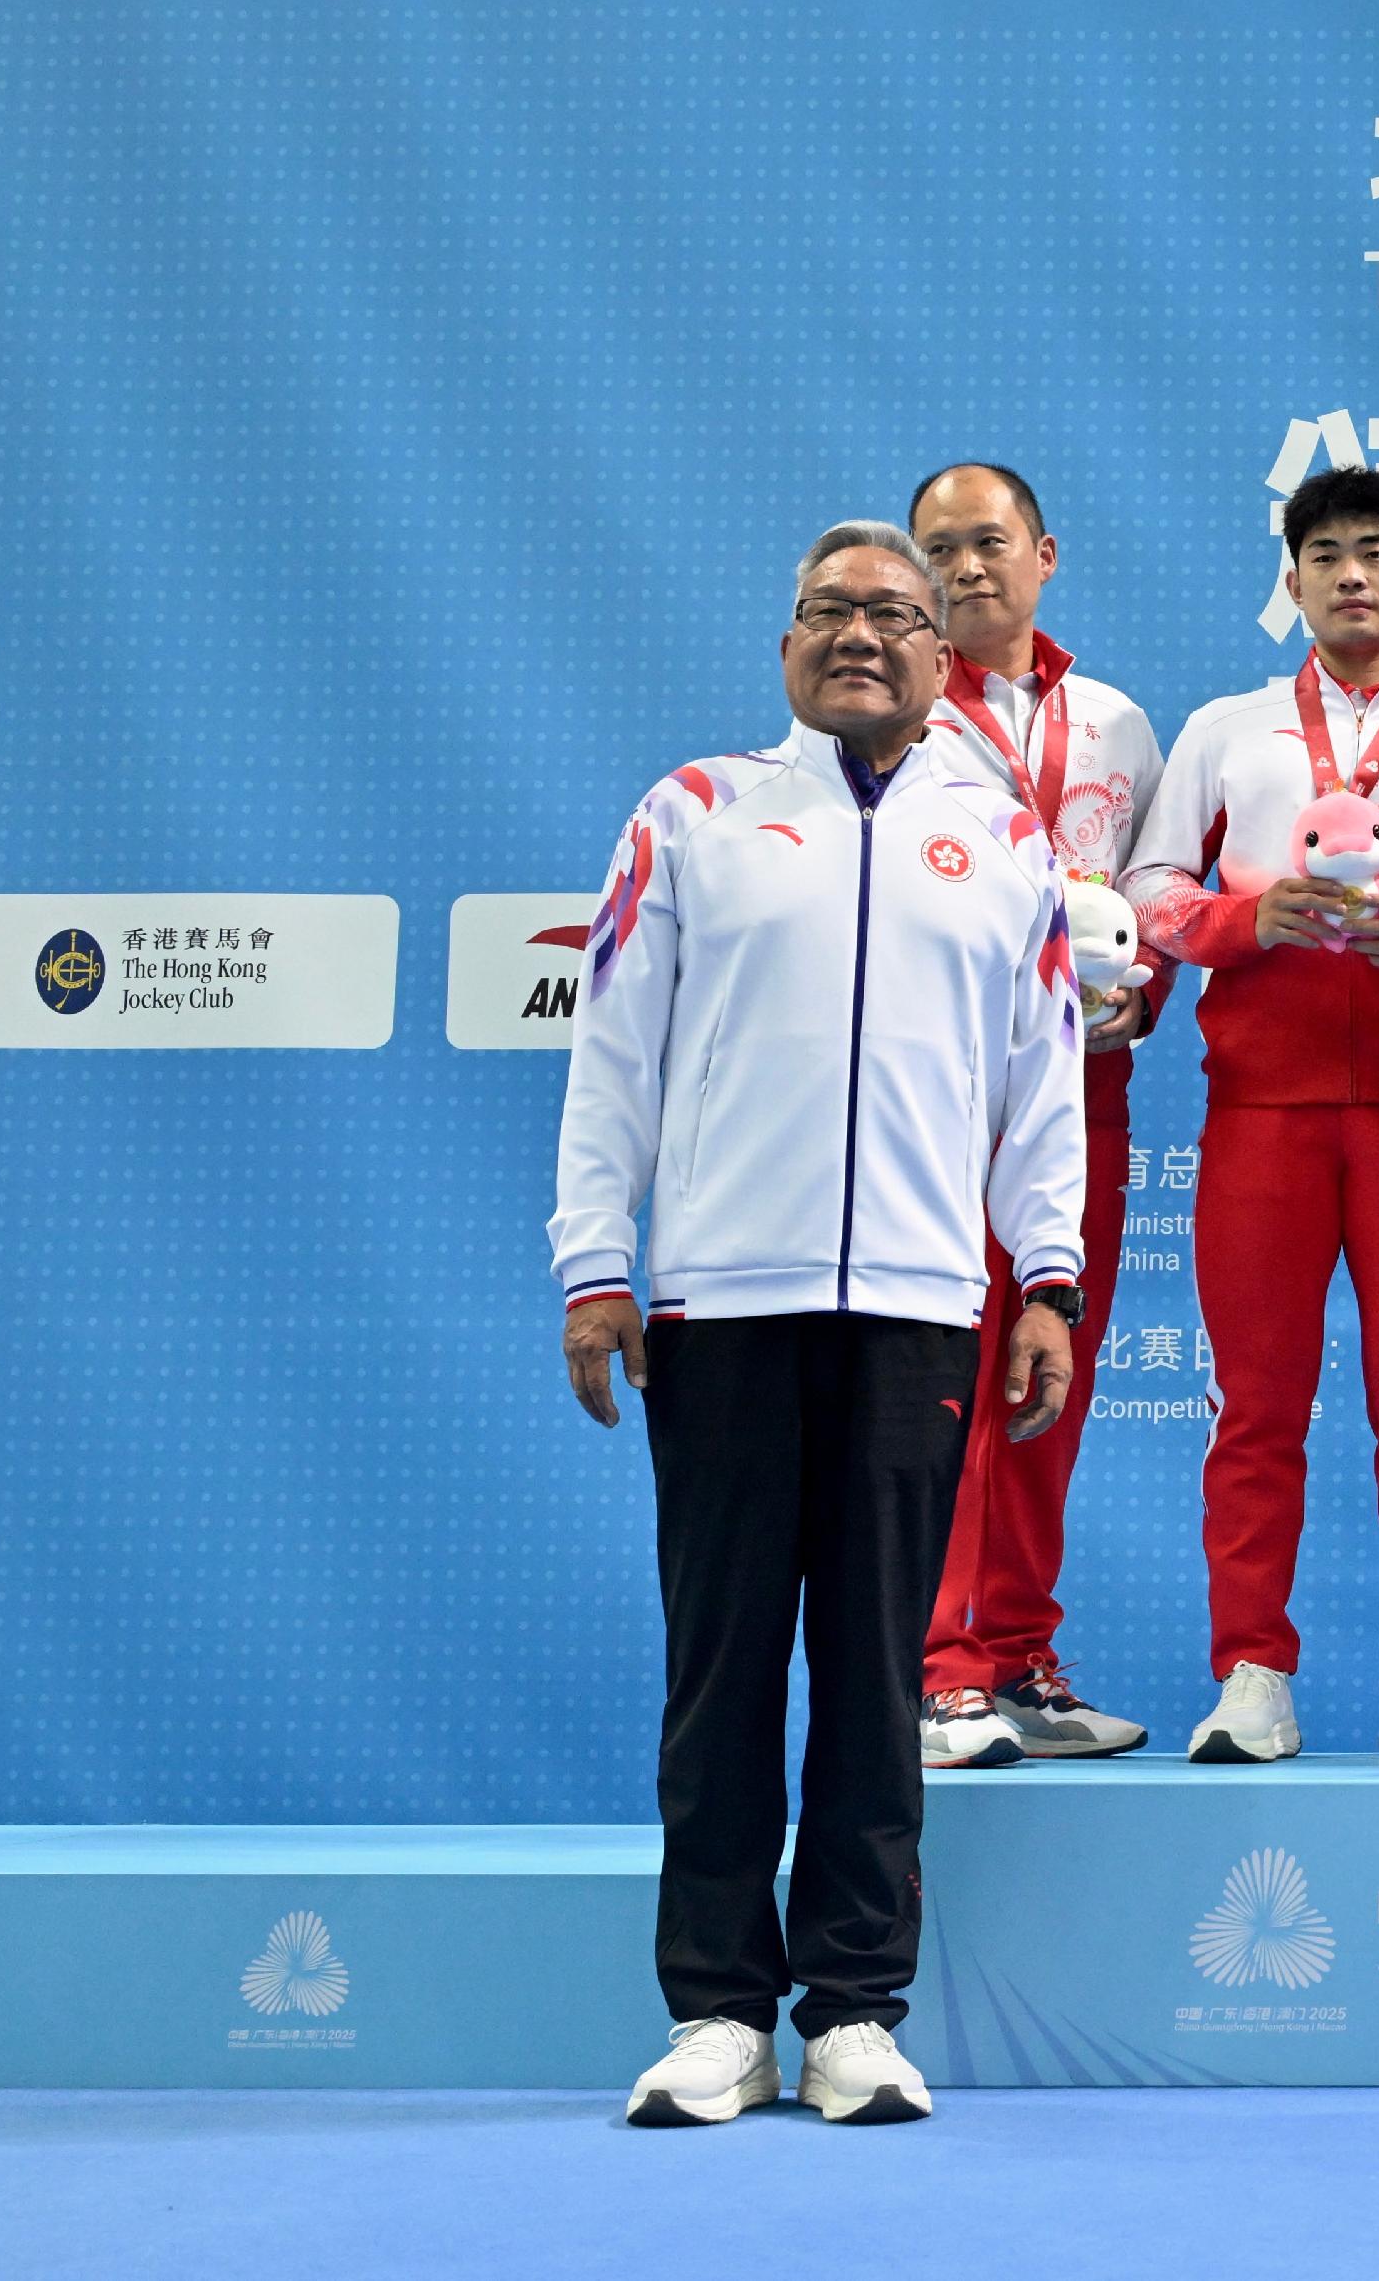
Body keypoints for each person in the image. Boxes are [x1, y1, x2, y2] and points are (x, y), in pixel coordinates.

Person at [554, 521, 1085, 2129]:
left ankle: (855, 2005)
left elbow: (1039, 1077)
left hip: (921, 1311)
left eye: (895, 616)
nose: (861, 635)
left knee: (873, 1675)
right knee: (721, 1670)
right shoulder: (698, 813)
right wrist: (597, 1260)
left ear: (945, 654)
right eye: (829, 611)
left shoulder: (1001, 838)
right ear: (787, 644)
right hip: (724, 1303)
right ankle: (717, 2007)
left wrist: (1044, 1274)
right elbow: (613, 1053)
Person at [1122, 464, 1379, 1765]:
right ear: (1290, 581)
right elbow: (1151, 892)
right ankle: (1250, 1671)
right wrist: (1245, 922)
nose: (1350, 573)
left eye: (1376, 551)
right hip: (1261, 1116)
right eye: (1325, 552)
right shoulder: (1228, 730)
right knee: (1257, 1404)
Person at [906, 461, 1166, 1769]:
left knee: (1047, 1375)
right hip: (943, 1101)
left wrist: (1144, 988)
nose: (965, 567)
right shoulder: (894, 722)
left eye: (988, 542)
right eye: (938, 548)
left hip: (1083, 1099)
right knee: (947, 1382)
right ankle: (937, 1670)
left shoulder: (1118, 723)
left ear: (1045, 553)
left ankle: (1015, 1652)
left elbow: (1152, 897)